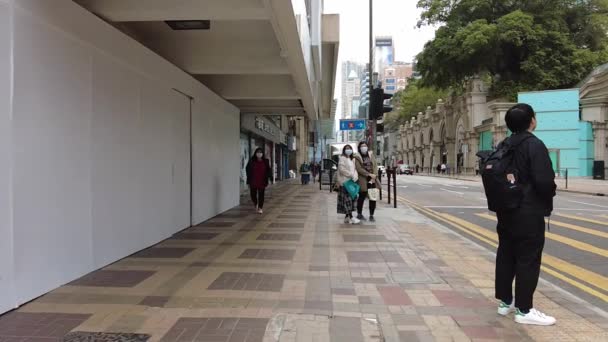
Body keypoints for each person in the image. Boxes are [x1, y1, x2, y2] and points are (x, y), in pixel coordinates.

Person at [494, 104, 557, 325]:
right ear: (532, 121)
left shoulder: (503, 144)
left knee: (506, 254)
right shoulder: (534, 145)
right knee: (528, 259)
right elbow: (544, 181)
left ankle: (505, 303)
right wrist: (548, 196)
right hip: (528, 211)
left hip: (505, 210)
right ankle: (524, 309)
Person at [354, 142, 378, 222]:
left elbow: (375, 166)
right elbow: (359, 169)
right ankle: (359, 214)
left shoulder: (371, 155)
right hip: (363, 179)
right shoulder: (357, 157)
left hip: (372, 179)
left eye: (365, 146)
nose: (364, 147)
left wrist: (374, 175)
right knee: (361, 197)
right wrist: (369, 174)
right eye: (362, 146)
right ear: (359, 148)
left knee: (373, 197)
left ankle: (371, 215)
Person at [337, 145, 360, 224]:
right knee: (348, 200)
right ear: (344, 150)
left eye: (350, 148)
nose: (348, 150)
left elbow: (354, 170)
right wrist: (350, 175)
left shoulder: (352, 159)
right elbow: (341, 169)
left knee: (352, 199)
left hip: (352, 182)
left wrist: (355, 176)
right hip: (345, 182)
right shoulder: (342, 158)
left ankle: (347, 217)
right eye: (347, 149)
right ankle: (351, 217)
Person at [246, 148, 272, 214]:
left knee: (261, 195)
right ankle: (255, 203)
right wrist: (249, 177)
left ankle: (260, 208)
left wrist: (269, 177)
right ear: (255, 153)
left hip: (262, 181)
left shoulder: (266, 161)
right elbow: (247, 168)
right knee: (253, 195)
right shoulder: (252, 160)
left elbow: (269, 170)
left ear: (262, 154)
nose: (259, 154)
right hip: (253, 181)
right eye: (258, 152)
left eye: (260, 152)